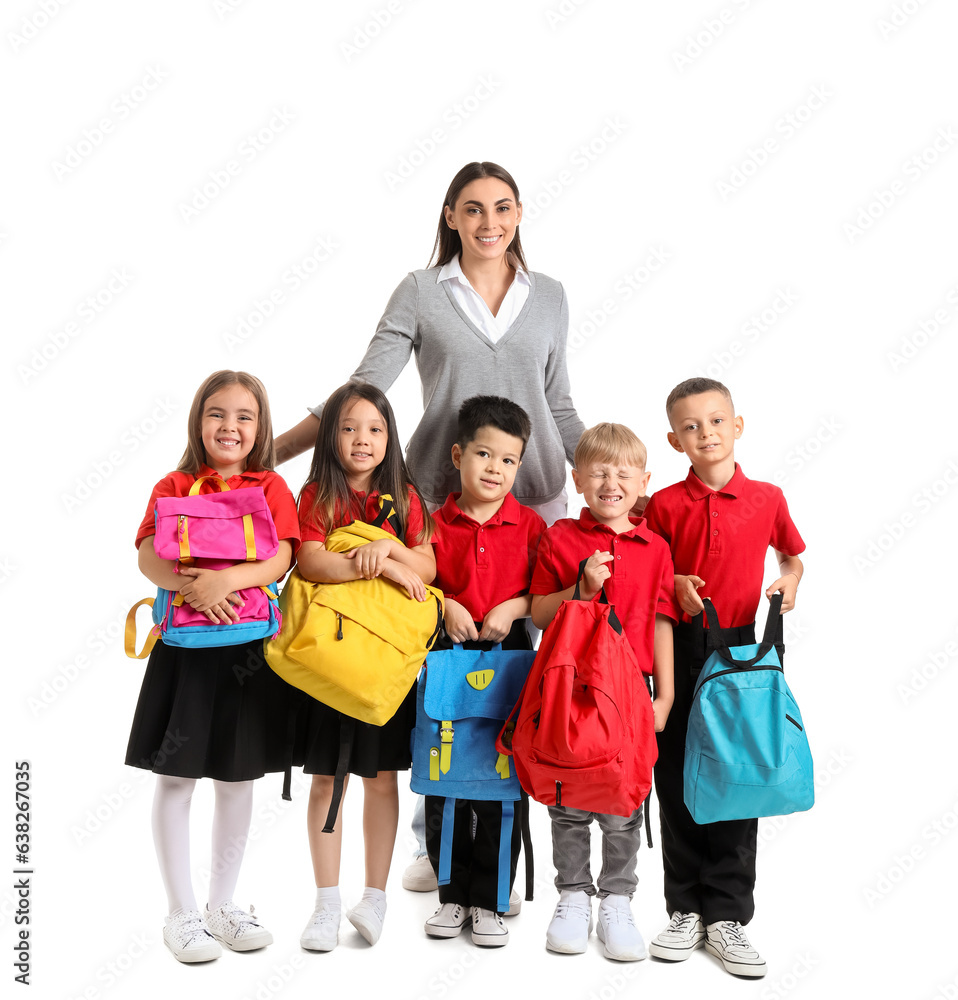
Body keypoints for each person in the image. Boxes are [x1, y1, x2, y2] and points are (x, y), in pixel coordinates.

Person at [275, 160, 585, 890]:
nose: (488, 223)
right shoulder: (421, 291)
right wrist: (269, 456)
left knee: (517, 673)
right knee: (438, 667)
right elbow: (365, 385)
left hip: (532, 501)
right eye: (472, 209)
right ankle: (435, 832)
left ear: (519, 214)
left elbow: (560, 405)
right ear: (450, 216)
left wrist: (613, 483)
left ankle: (505, 835)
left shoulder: (552, 298)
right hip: (438, 510)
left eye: (502, 208)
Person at [125, 370, 300, 963]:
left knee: (237, 776)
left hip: (248, 652)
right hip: (185, 653)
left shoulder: (272, 486)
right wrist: (187, 587)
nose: (230, 426)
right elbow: (148, 551)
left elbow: (283, 555)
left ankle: (222, 907)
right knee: (176, 779)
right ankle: (181, 913)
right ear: (198, 422)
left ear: (261, 428)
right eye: (217, 414)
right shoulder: (174, 483)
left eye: (243, 416)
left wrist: (228, 580)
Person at [642, 377, 806, 979]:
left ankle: (728, 916)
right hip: (679, 645)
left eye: (715, 421)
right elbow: (647, 568)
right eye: (691, 426)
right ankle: (684, 908)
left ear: (738, 425)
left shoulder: (767, 497)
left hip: (745, 651)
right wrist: (675, 584)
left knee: (739, 775)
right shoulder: (661, 504)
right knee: (679, 769)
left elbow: (792, 557)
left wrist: (791, 579)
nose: (705, 433)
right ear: (674, 440)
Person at [295, 382, 437, 951]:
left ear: (390, 437)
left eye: (375, 428)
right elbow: (308, 561)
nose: (362, 439)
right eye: (349, 427)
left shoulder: (404, 496)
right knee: (327, 778)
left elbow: (426, 564)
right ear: (330, 436)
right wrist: (371, 565)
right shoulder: (316, 494)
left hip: (385, 662)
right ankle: (326, 902)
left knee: (381, 778)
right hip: (329, 658)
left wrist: (387, 546)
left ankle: (374, 898)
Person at [530, 423, 677, 961]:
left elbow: (662, 620)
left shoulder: (656, 548)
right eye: (597, 472)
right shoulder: (561, 537)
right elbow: (540, 612)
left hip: (632, 688)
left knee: (623, 800)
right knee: (568, 796)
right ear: (577, 480)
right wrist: (582, 589)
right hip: (569, 685)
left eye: (623, 473)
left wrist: (662, 697)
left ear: (643, 483)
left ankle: (617, 898)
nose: (610, 482)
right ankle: (571, 894)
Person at [421, 396, 545, 947]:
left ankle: (493, 898)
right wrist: (441, 602)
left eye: (509, 460)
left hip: (512, 660)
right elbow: (415, 584)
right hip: (447, 658)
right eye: (483, 454)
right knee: (446, 779)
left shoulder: (532, 525)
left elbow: (544, 596)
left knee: (502, 782)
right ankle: (451, 897)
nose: (495, 469)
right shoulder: (432, 524)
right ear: (457, 455)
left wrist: (513, 607)